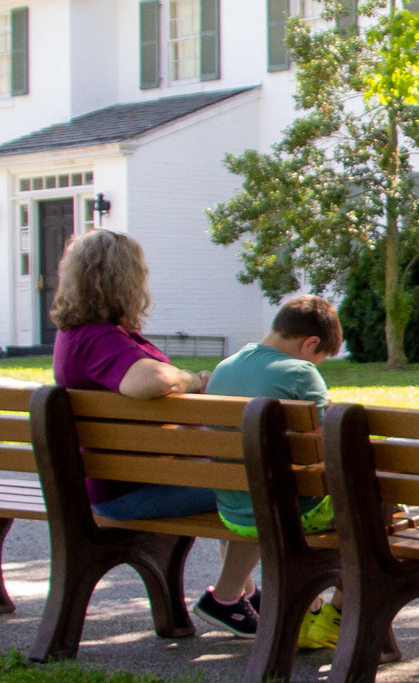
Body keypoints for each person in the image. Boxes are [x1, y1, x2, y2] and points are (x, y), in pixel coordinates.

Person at [48, 229, 263, 639]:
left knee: (238, 473)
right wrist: (194, 380)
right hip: (128, 492)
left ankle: (243, 595)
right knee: (263, 485)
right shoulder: (97, 339)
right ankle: (227, 596)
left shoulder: (82, 335)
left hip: (129, 477)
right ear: (125, 280)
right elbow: (145, 382)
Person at [204, 294, 344, 650]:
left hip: (234, 510)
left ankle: (301, 613)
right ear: (309, 343)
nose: (317, 365)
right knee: (377, 511)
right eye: (320, 357)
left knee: (266, 488)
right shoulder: (300, 373)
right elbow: (329, 450)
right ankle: (335, 618)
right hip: (292, 512)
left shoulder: (225, 367)